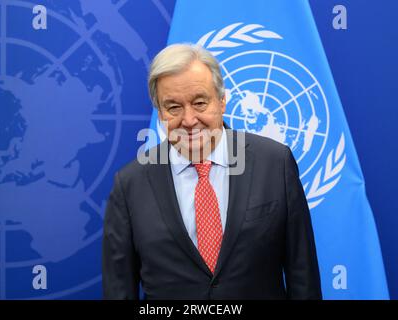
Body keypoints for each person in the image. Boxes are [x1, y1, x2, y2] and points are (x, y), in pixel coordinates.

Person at [102, 43, 322, 299]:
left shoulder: (275, 163)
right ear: (160, 113)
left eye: (199, 102)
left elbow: (302, 276)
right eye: (173, 107)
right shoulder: (130, 185)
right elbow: (119, 292)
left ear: (222, 101)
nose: (189, 120)